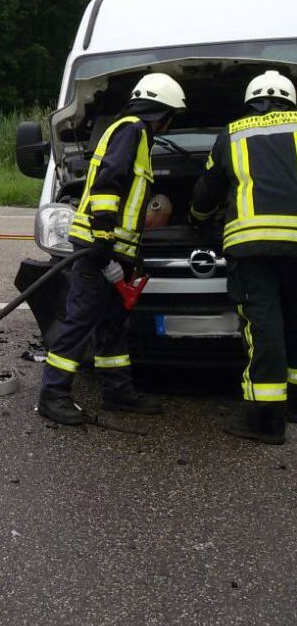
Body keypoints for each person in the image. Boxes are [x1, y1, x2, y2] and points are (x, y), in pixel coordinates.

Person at [38, 73, 187, 426]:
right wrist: (103, 239)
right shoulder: (131, 131)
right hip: (97, 245)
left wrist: (124, 254)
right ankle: (53, 394)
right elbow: (109, 181)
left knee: (111, 326)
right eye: (170, 118)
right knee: (80, 322)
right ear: (161, 112)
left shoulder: (136, 134)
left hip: (113, 249)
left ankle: (117, 391)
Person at [191, 70, 297, 444]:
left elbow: (208, 189)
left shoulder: (234, 132)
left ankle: (266, 419)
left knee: (264, 326)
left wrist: (198, 219)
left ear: (252, 101)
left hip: (253, 247)